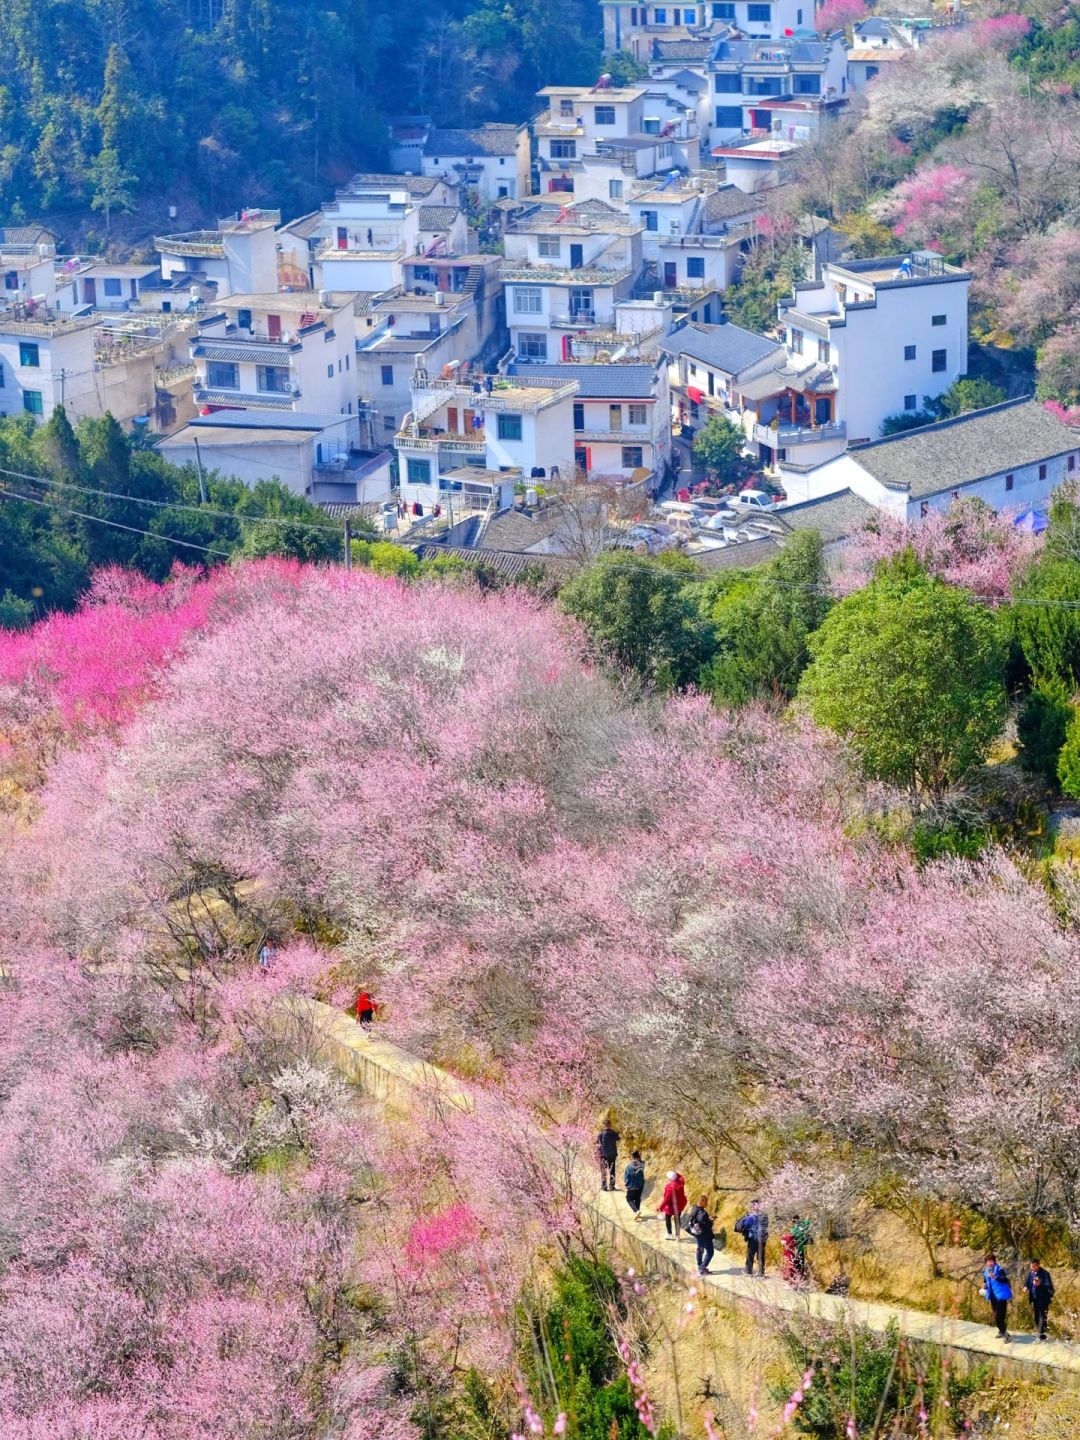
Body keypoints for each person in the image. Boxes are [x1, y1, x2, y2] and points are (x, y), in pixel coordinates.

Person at [982, 1253, 1013, 1341]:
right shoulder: (986, 1271)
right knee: (998, 1315)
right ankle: (1001, 1331)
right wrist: (984, 1285)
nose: (990, 1263)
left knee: (998, 1317)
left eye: (991, 1261)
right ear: (986, 1263)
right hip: (993, 1296)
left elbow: (1004, 1279)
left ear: (995, 1262)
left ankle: (1006, 1335)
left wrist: (995, 1277)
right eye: (988, 1262)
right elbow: (986, 1281)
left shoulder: (999, 1270)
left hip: (1001, 1296)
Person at [1024, 1259, 1054, 1341]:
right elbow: (1027, 1282)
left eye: (1034, 1266)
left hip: (1043, 1298)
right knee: (1037, 1315)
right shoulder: (1031, 1273)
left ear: (1038, 1265)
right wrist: (1026, 1287)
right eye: (1031, 1267)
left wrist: (1040, 1284)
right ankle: (1040, 1333)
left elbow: (1049, 1287)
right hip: (1034, 1298)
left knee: (1042, 1316)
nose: (1032, 1268)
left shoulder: (1045, 1273)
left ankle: (1041, 1333)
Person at [735, 1201, 768, 1276]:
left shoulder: (751, 1217)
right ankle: (761, 1272)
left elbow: (746, 1225)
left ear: (753, 1207)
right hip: (762, 1239)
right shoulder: (764, 1216)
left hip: (753, 1239)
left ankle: (748, 1271)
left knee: (750, 1255)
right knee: (761, 1256)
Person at [686, 1195, 715, 1275]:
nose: (707, 1203)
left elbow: (700, 1221)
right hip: (705, 1236)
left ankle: (699, 1265)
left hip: (698, 1234)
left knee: (700, 1249)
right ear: (701, 1201)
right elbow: (707, 1226)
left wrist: (707, 1219)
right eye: (706, 1202)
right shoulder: (703, 1213)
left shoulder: (694, 1209)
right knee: (710, 1252)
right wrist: (711, 1221)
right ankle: (702, 1268)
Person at [658, 1171, 687, 1240]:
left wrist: (661, 1207)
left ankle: (669, 1234)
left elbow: (666, 1199)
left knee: (668, 1219)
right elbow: (680, 1176)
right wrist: (675, 1173)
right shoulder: (681, 1182)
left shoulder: (670, 1187)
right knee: (677, 1219)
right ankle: (678, 1236)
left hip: (671, 1206)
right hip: (679, 1205)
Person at [597, 1121, 620, 1191]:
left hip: (603, 1155)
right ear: (610, 1125)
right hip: (612, 1155)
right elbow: (618, 1138)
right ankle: (612, 1186)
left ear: (604, 1125)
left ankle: (604, 1187)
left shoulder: (600, 1135)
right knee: (612, 1170)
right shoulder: (614, 1133)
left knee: (603, 1171)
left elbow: (598, 1143)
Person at [624, 1151, 645, 1218]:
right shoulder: (642, 1164)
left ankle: (636, 1211)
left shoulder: (629, 1166)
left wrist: (626, 1183)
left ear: (632, 1157)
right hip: (640, 1184)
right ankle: (637, 1212)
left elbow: (626, 1176)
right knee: (637, 1198)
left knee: (629, 1198)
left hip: (632, 1185)